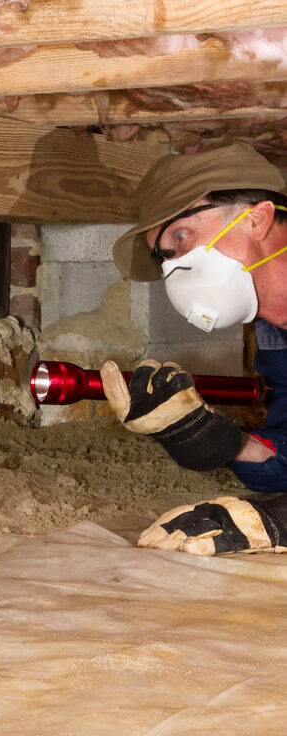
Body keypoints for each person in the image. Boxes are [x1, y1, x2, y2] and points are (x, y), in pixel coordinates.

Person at [105, 140, 287, 556]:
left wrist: (277, 521)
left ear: (257, 220)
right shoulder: (275, 339)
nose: (173, 269)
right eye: (164, 257)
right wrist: (222, 442)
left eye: (181, 238)